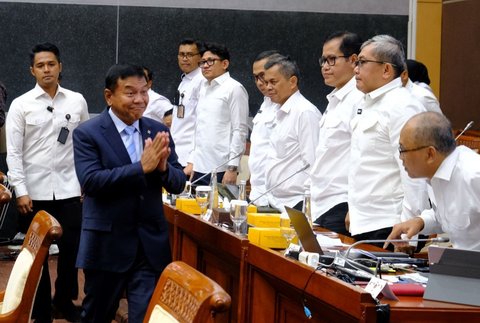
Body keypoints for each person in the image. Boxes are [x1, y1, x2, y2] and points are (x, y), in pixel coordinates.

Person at [73, 64, 185, 322]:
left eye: (144, 92)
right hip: (106, 244)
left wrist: (163, 167)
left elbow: (178, 183)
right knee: (96, 315)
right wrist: (140, 168)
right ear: (109, 96)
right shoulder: (88, 133)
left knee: (145, 317)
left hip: (149, 246)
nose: (139, 99)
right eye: (130, 92)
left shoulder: (158, 131)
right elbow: (90, 182)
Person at [6, 42, 89, 322]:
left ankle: (64, 300)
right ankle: (40, 309)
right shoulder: (21, 105)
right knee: (38, 254)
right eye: (40, 65)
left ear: (60, 66)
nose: (46, 69)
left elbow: (84, 146)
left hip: (69, 189)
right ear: (32, 70)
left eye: (51, 64)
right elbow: (14, 153)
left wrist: (85, 183)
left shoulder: (76, 100)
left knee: (71, 250)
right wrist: (21, 191)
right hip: (34, 192)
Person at [348, 35, 428, 246]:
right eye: (356, 62)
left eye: (362, 63)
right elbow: (363, 163)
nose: (355, 69)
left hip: (389, 225)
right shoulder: (365, 102)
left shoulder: (402, 105)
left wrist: (407, 233)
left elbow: (415, 174)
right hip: (364, 220)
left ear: (386, 70)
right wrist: (353, 209)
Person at [385, 112, 480, 251]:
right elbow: (451, 217)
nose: (400, 157)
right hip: (464, 266)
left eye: (403, 149)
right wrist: (421, 222)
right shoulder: (436, 174)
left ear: (430, 154)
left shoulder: (473, 175)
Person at [309, 31, 363, 236]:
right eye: (323, 60)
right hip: (321, 201)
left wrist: (354, 205)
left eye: (332, 59)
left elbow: (361, 156)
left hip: (341, 203)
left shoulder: (358, 99)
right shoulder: (334, 99)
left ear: (353, 60)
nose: (325, 66)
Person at [263, 56, 321, 211]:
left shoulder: (305, 112)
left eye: (273, 82)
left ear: (292, 82)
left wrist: (307, 206)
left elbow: (312, 163)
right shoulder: (277, 110)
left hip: (296, 203)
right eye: (266, 82)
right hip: (275, 200)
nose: (268, 87)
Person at [187, 42, 248, 185]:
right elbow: (199, 128)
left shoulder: (234, 88)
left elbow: (240, 130)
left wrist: (232, 168)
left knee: (215, 207)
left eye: (210, 61)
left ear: (225, 64)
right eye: (202, 62)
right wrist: (192, 161)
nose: (205, 65)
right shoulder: (203, 88)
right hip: (199, 166)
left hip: (221, 168)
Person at [248, 50, 281, 206]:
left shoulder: (290, 107)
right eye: (256, 77)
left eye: (263, 75)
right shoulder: (265, 103)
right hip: (257, 191)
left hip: (274, 196)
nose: (261, 82)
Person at [171, 38, 204, 171]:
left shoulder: (201, 81)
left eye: (190, 55)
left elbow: (201, 124)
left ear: (200, 58)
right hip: (177, 153)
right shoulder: (184, 80)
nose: (185, 58)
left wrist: (193, 159)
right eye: (181, 54)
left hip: (190, 157)